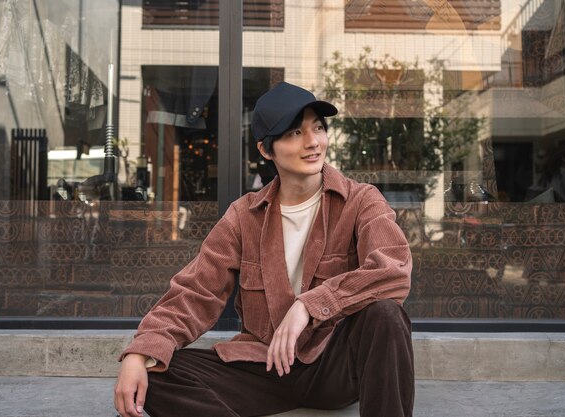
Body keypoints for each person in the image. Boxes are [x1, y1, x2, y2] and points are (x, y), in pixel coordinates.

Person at [114, 82, 415, 417]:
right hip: (264, 365)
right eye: (295, 133)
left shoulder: (360, 201)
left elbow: (394, 270)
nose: (313, 142)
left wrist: (309, 306)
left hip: (332, 364)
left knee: (386, 315)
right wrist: (140, 353)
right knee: (155, 377)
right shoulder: (244, 216)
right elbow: (194, 293)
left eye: (318, 128)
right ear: (266, 149)